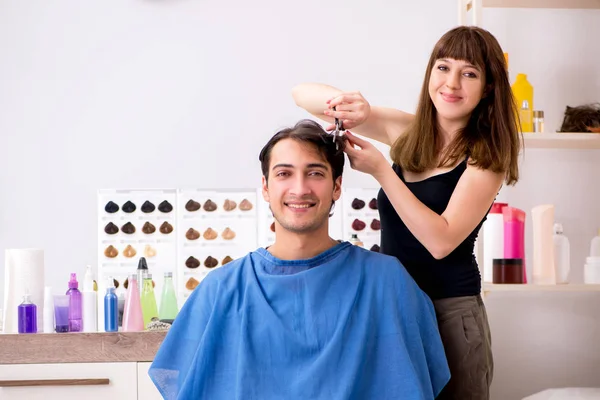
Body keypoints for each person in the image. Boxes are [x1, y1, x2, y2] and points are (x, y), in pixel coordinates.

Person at [292, 25, 521, 399]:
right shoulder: (408, 130)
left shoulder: (486, 157)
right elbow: (302, 95)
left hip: (450, 314)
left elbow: (441, 241)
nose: (452, 84)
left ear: (489, 87)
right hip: (395, 308)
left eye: (469, 73)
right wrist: (355, 105)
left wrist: (382, 170)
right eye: (443, 68)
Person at [149, 119, 450, 399]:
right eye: (284, 173)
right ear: (266, 188)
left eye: (315, 173)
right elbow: (176, 379)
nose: (300, 188)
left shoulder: (385, 282)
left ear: (337, 187)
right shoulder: (222, 288)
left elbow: (415, 381)